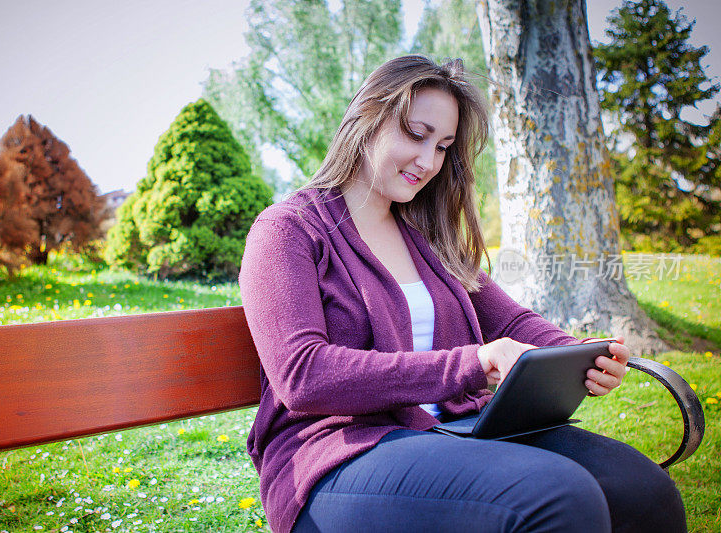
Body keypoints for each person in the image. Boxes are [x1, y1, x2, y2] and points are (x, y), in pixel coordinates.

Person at [239, 55, 686, 533]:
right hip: (338, 456)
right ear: (367, 116)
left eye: (444, 146)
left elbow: (510, 323)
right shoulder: (289, 231)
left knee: (643, 489)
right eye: (416, 134)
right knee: (558, 497)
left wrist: (574, 354)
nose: (429, 161)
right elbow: (303, 376)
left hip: (457, 433)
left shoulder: (427, 235)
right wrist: (474, 363)